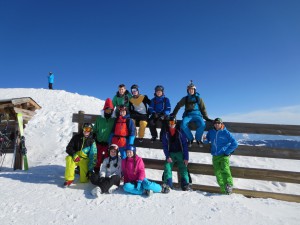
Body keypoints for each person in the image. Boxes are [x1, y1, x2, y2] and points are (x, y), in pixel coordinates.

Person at [171, 80, 212, 148]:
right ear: (188, 90)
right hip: (188, 115)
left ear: (194, 90)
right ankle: (190, 139)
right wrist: (174, 114)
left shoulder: (198, 98)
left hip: (197, 115)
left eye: (192, 89)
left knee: (202, 124)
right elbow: (178, 105)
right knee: (183, 125)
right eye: (189, 89)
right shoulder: (185, 98)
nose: (191, 91)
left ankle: (198, 139)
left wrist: (206, 117)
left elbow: (203, 108)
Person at [203, 118, 238, 195]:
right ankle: (223, 190)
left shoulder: (226, 133)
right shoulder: (211, 132)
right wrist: (204, 139)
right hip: (215, 156)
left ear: (221, 124)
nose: (217, 124)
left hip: (224, 156)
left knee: (225, 170)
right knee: (217, 172)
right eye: (215, 123)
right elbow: (206, 141)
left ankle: (229, 186)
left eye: (218, 123)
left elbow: (235, 143)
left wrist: (227, 152)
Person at [161, 116, 191, 193]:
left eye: (173, 123)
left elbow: (184, 144)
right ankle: (168, 183)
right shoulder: (166, 132)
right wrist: (167, 156)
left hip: (180, 153)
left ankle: (185, 184)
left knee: (183, 166)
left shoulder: (180, 131)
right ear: (168, 123)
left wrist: (186, 158)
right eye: (170, 123)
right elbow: (164, 145)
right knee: (167, 166)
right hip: (171, 153)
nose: (172, 124)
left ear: (175, 123)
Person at [64, 123, 97, 187]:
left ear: (91, 130)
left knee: (84, 180)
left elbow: (93, 156)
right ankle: (69, 179)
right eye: (85, 129)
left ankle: (83, 175)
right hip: (75, 157)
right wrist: (74, 155)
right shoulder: (76, 137)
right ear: (83, 129)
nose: (86, 131)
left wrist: (90, 169)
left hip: (84, 160)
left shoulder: (92, 141)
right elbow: (69, 148)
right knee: (69, 158)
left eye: (88, 129)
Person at [93, 98, 116, 173]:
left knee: (107, 157)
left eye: (110, 110)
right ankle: (96, 170)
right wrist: (93, 136)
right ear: (104, 110)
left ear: (112, 111)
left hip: (108, 144)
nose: (108, 112)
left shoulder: (113, 120)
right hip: (99, 142)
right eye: (107, 110)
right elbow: (95, 129)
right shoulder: (99, 119)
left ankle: (107, 171)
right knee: (97, 157)